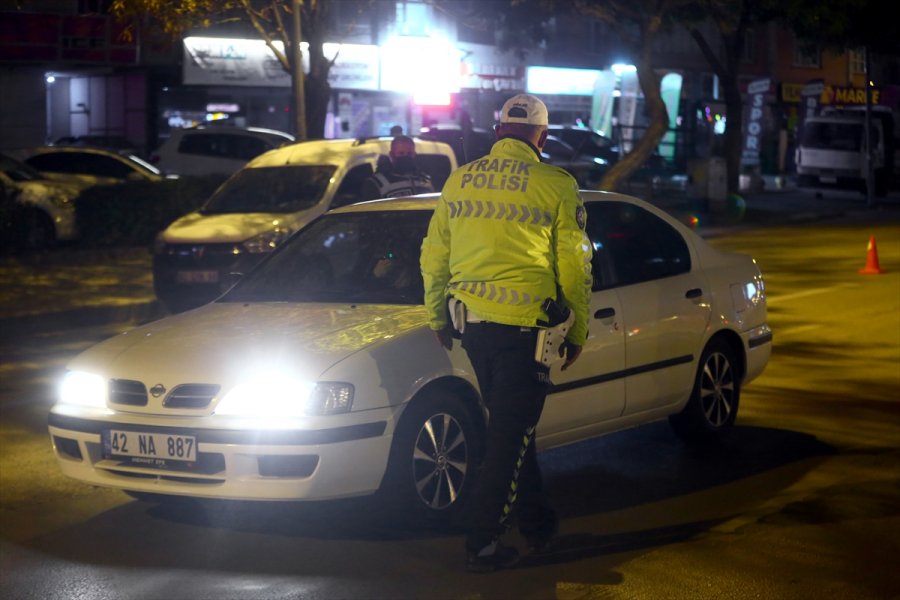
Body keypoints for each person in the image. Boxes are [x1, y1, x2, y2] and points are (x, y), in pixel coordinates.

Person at [420, 94, 592, 573]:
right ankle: (483, 544)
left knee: (513, 431)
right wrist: (578, 327)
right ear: (542, 136)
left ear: (498, 132)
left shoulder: (460, 180)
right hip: (526, 335)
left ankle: (537, 525)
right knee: (508, 439)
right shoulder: (556, 184)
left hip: (473, 330)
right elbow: (574, 265)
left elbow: (434, 255)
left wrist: (437, 317)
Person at [359, 135, 434, 201]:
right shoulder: (377, 183)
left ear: (414, 154)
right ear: (391, 155)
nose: (406, 157)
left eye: (409, 153)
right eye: (401, 153)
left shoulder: (425, 180)